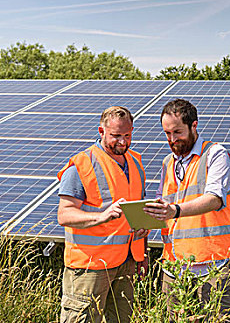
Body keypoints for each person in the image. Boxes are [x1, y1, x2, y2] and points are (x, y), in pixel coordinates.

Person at [143, 99, 230, 321]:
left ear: (194, 126)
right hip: (174, 268)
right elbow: (162, 204)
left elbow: (214, 199)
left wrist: (174, 210)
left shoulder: (215, 154)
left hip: (211, 267)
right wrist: (146, 222)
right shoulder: (168, 162)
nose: (172, 139)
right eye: (167, 133)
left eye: (178, 132)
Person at [57, 106, 148, 323]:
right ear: (101, 131)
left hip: (126, 263)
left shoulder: (135, 163)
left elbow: (137, 212)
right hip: (90, 267)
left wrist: (142, 254)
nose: (123, 142)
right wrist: (101, 216)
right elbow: (64, 214)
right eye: (116, 136)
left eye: (127, 135)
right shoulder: (82, 165)